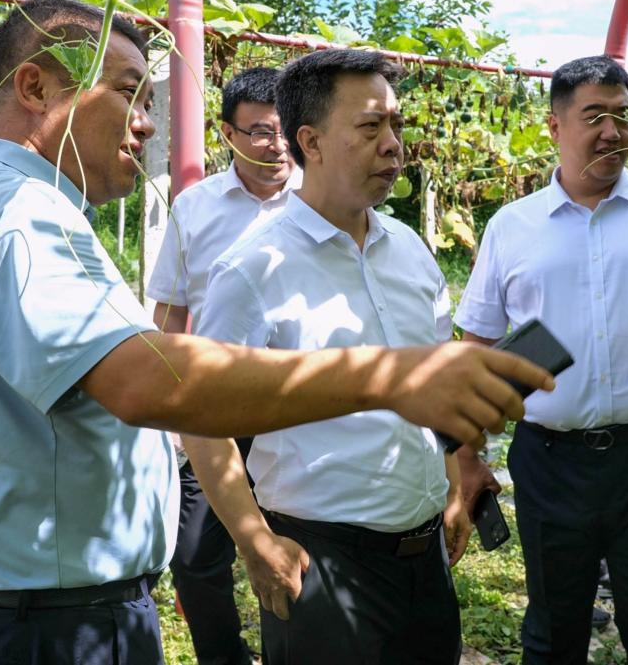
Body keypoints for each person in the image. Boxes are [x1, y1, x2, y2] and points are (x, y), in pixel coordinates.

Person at [0, 0, 552, 665]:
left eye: (149, 101)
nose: (146, 123)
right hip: (49, 625)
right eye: (127, 93)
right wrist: (387, 378)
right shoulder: (15, 211)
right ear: (35, 88)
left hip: (53, 610)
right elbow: (150, 383)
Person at [183, 48, 469, 665]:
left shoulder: (411, 251)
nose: (393, 145)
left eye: (396, 125)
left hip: (425, 562)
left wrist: (451, 484)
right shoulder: (254, 269)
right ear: (310, 141)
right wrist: (255, 541)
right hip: (323, 564)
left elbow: (434, 379)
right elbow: (201, 421)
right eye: (370, 127)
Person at [454, 55, 628, 665]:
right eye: (593, 116)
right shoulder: (512, 226)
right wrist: (467, 457)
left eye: (622, 116)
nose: (612, 132)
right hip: (550, 459)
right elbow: (477, 348)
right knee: (553, 630)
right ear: (554, 126)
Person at [146, 66, 300, 665]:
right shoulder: (197, 207)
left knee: (295, 544)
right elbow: (170, 311)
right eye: (260, 131)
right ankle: (223, 657)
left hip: (297, 408)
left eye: (285, 130)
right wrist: (167, 405)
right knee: (194, 555)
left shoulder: (319, 202)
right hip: (214, 412)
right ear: (227, 134)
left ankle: (290, 650)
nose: (277, 145)